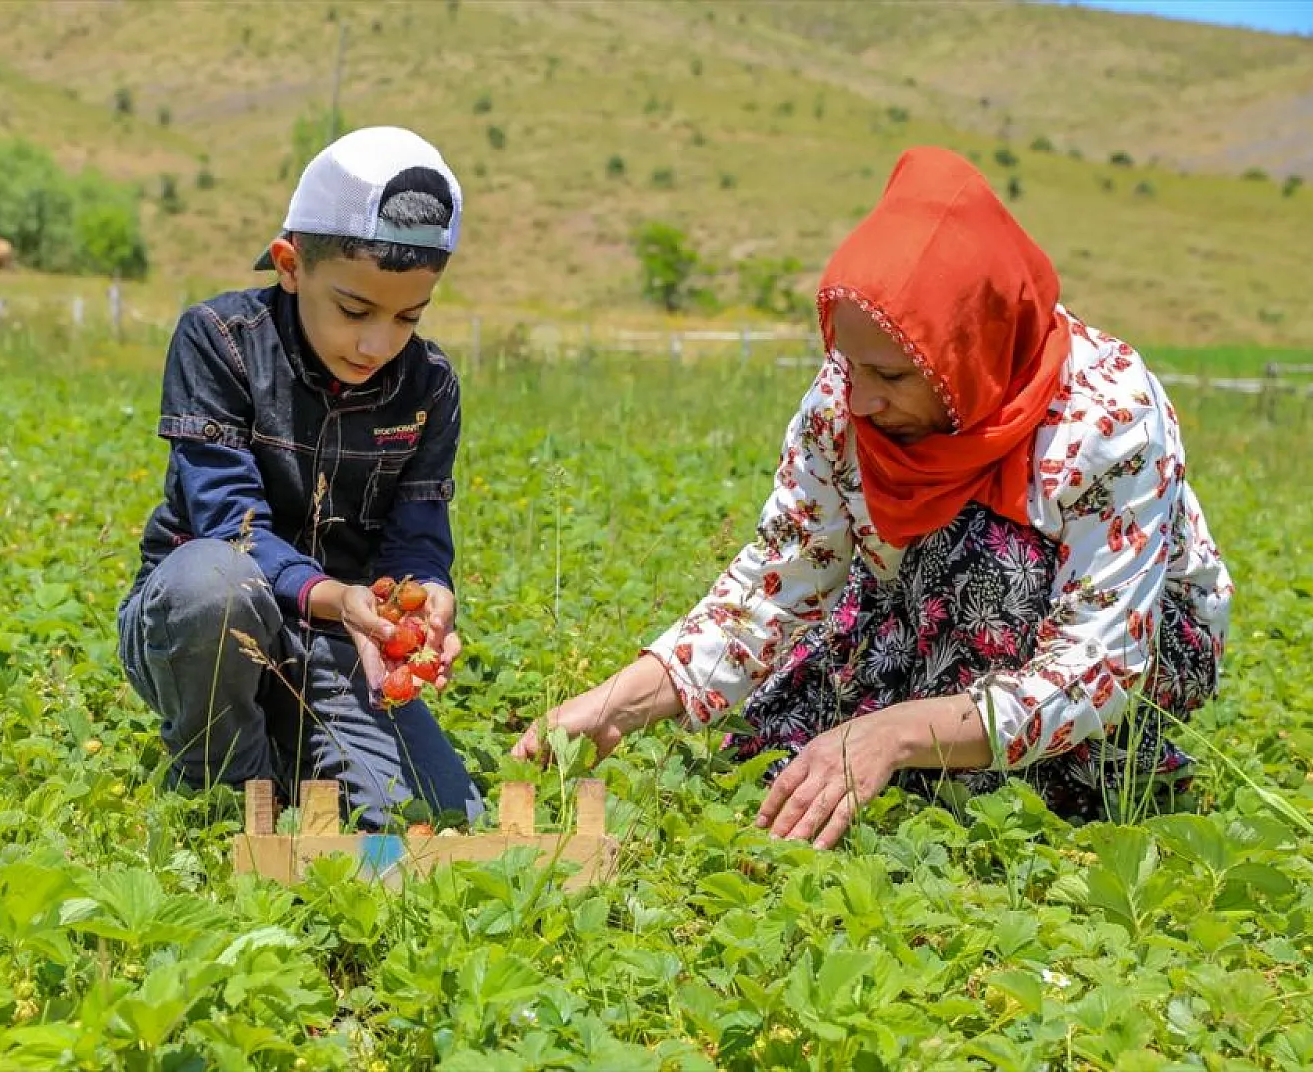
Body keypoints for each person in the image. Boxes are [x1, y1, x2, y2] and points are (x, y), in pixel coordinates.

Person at [512, 146, 1233, 848]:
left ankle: (976, 762)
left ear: (965, 354)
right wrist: (617, 704)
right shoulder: (844, 395)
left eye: (888, 377)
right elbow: (783, 576)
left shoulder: (1106, 416)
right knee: (778, 748)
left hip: (1125, 647)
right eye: (846, 362)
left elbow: (1099, 663)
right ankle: (916, 733)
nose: (858, 397)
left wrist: (892, 732)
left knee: (987, 567)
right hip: (917, 603)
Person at [117, 126, 483, 830]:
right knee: (213, 588)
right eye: (354, 310)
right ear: (290, 265)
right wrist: (333, 594)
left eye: (409, 316)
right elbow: (231, 523)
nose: (378, 343)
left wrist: (424, 596)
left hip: (334, 643)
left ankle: (296, 743)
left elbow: (417, 537)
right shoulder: (219, 339)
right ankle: (223, 786)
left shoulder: (429, 387)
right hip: (203, 625)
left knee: (431, 820)